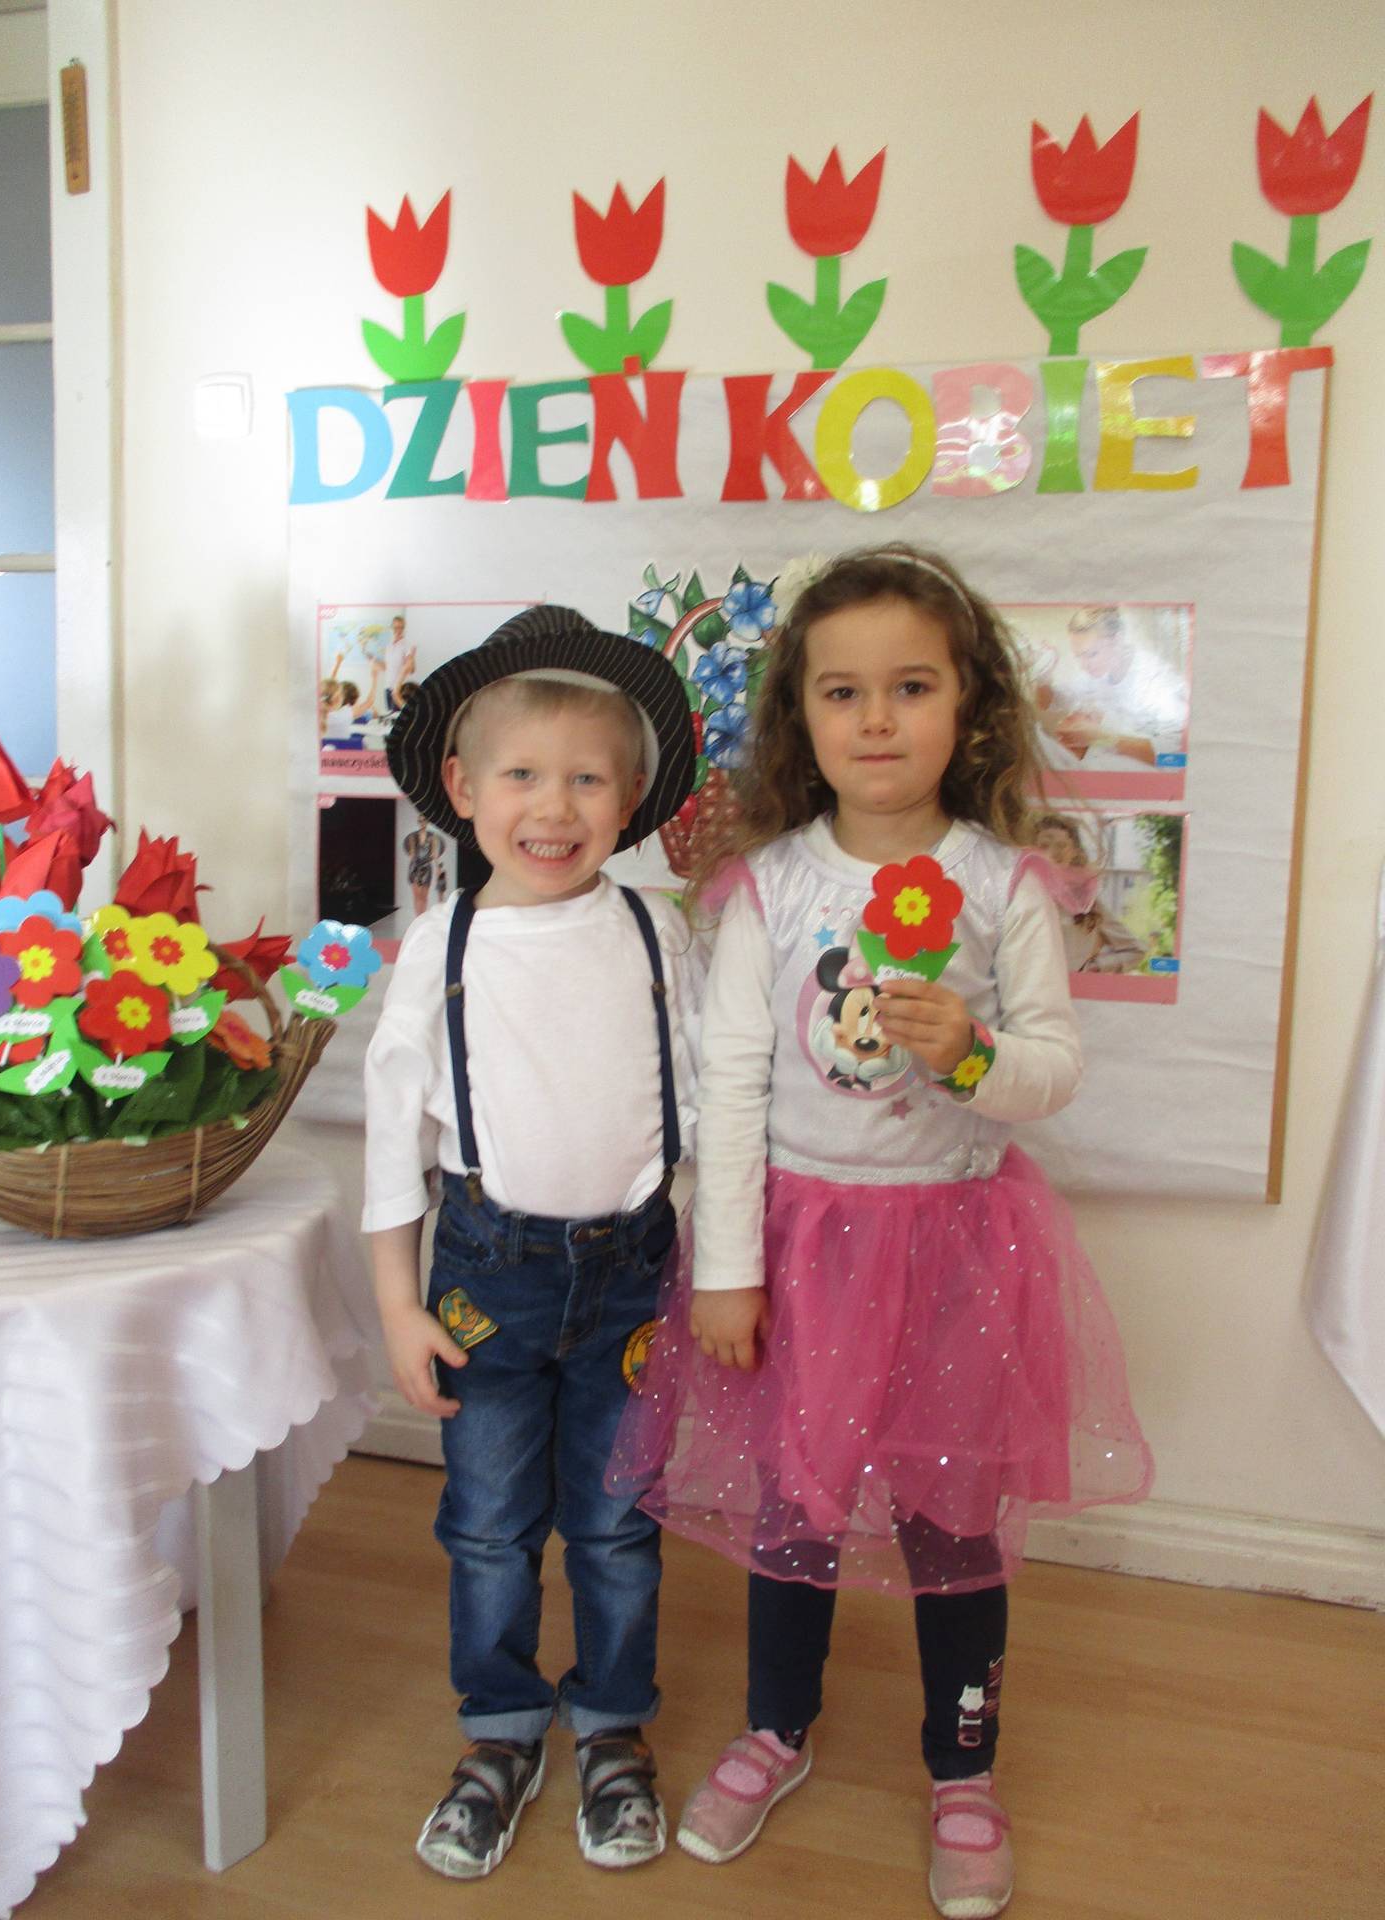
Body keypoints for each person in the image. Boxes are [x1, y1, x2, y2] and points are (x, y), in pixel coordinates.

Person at [610, 546, 1153, 1919]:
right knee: (793, 1508)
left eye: (911, 687)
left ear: (968, 707)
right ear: (801, 719)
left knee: (950, 1521)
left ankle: (963, 1769)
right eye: (842, 692)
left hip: (957, 1254)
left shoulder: (1008, 887)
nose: (875, 719)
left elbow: (1052, 1072)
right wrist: (726, 1271)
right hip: (798, 1256)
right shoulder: (767, 888)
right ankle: (775, 1728)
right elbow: (731, 1089)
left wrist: (969, 1053)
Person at [363, 604, 700, 1882]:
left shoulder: (655, 931)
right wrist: (398, 1306)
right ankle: (500, 1731)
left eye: (587, 780)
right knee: (488, 1525)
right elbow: (391, 1137)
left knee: (617, 1526)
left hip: (634, 1279)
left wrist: (716, 1271)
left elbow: (706, 1109)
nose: (553, 808)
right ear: (462, 789)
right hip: (484, 1283)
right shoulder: (440, 944)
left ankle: (612, 1726)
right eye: (521, 775)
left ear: (630, 801)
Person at [1034, 604, 1187, 770]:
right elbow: (1049, 703)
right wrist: (1043, 676)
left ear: (1117, 639)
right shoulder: (1097, 674)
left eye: (1091, 654)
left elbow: (1178, 760)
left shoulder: (1157, 682)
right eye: (1079, 656)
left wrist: (1102, 738)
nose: (1084, 666)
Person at [1032, 810, 1147, 974]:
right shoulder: (1020, 894)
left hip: (1071, 987)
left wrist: (1095, 967)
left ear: (1074, 851)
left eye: (1062, 845)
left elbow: (1135, 951)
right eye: (1044, 845)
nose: (1053, 852)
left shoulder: (1086, 901)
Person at [384, 612, 418, 712]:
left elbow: (412, 669)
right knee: (390, 716)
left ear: (404, 628)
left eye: (401, 628)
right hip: (388, 687)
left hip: (400, 689)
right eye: (396, 627)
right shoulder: (388, 646)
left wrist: (411, 660)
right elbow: (387, 667)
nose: (398, 630)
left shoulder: (407, 645)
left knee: (400, 716)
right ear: (391, 628)